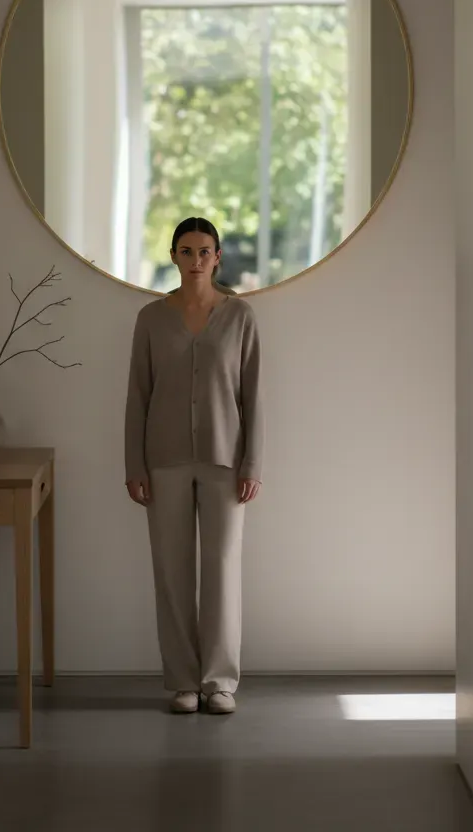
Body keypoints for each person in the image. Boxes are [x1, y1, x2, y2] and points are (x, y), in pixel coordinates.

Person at [125, 217, 265, 715]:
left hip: (226, 462)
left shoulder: (241, 317)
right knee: (172, 570)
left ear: (218, 256)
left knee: (223, 568)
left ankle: (219, 681)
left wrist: (253, 462)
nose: (196, 260)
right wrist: (133, 463)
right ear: (174, 256)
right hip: (162, 461)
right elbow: (137, 396)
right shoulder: (150, 318)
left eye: (205, 251)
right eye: (186, 251)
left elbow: (253, 397)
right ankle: (183, 680)